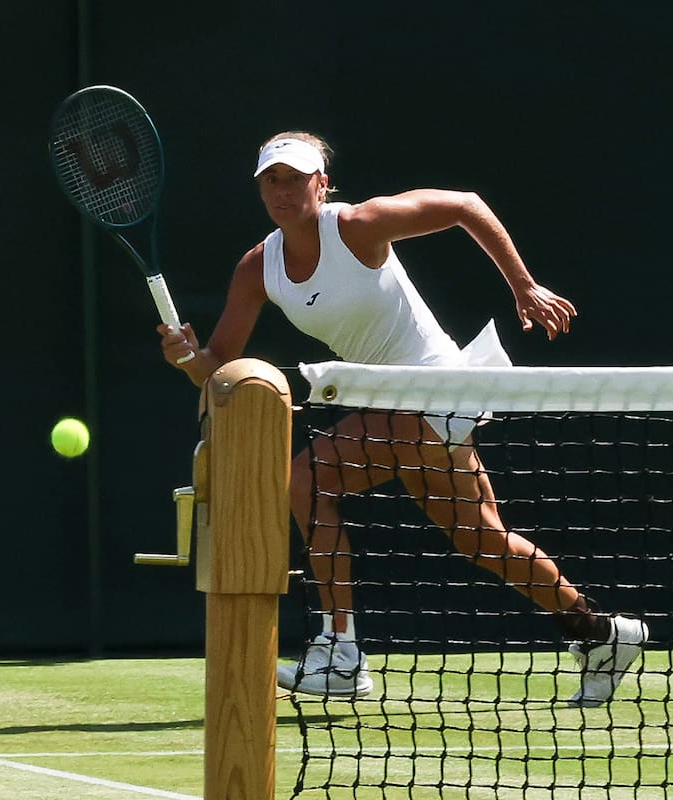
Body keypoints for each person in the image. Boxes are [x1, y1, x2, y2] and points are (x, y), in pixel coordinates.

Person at [158, 131, 648, 707]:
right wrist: (187, 358)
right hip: (394, 405)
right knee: (484, 540)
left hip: (435, 389)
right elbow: (220, 368)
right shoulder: (256, 268)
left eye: (295, 178)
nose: (283, 191)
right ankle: (603, 633)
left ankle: (341, 652)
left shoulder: (361, 226)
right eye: (272, 180)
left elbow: (467, 204)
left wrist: (524, 285)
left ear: (323, 183)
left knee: (306, 480)